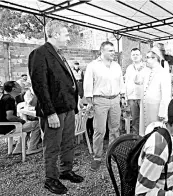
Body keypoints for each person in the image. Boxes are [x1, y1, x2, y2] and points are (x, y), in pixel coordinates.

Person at [28, 20, 83, 195]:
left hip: (67, 108)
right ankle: (50, 179)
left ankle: (65, 171)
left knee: (68, 142)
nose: (68, 38)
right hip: (54, 111)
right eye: (66, 34)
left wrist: (75, 104)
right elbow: (40, 86)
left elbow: (66, 82)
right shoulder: (39, 53)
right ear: (56, 34)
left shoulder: (59, 54)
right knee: (52, 146)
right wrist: (49, 112)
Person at [83, 41, 125, 171]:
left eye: (114, 50)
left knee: (115, 129)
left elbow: (121, 82)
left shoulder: (116, 66)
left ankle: (113, 154)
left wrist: (122, 97)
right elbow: (88, 84)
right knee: (100, 130)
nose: (113, 53)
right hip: (100, 100)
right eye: (110, 50)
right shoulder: (93, 66)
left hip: (115, 99)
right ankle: (97, 157)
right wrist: (90, 102)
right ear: (102, 51)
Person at [0, 81, 42, 155]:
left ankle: (18, 149)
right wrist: (21, 120)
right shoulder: (10, 99)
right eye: (18, 85)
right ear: (14, 89)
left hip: (4, 126)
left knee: (28, 126)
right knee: (37, 124)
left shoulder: (4, 97)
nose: (21, 87)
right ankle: (32, 148)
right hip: (7, 128)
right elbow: (9, 117)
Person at [138, 49, 172, 136]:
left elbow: (166, 95)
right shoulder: (146, 71)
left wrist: (162, 112)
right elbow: (137, 81)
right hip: (146, 106)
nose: (146, 60)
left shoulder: (164, 73)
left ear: (155, 58)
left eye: (148, 58)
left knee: (155, 132)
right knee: (145, 131)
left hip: (156, 108)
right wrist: (140, 70)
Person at [124, 48, 149, 134]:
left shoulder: (146, 67)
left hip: (142, 97)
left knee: (144, 119)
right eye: (133, 55)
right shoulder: (129, 68)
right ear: (131, 57)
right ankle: (135, 138)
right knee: (134, 119)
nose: (135, 56)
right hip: (132, 97)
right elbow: (126, 82)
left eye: (137, 54)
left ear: (141, 56)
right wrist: (126, 97)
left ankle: (144, 137)